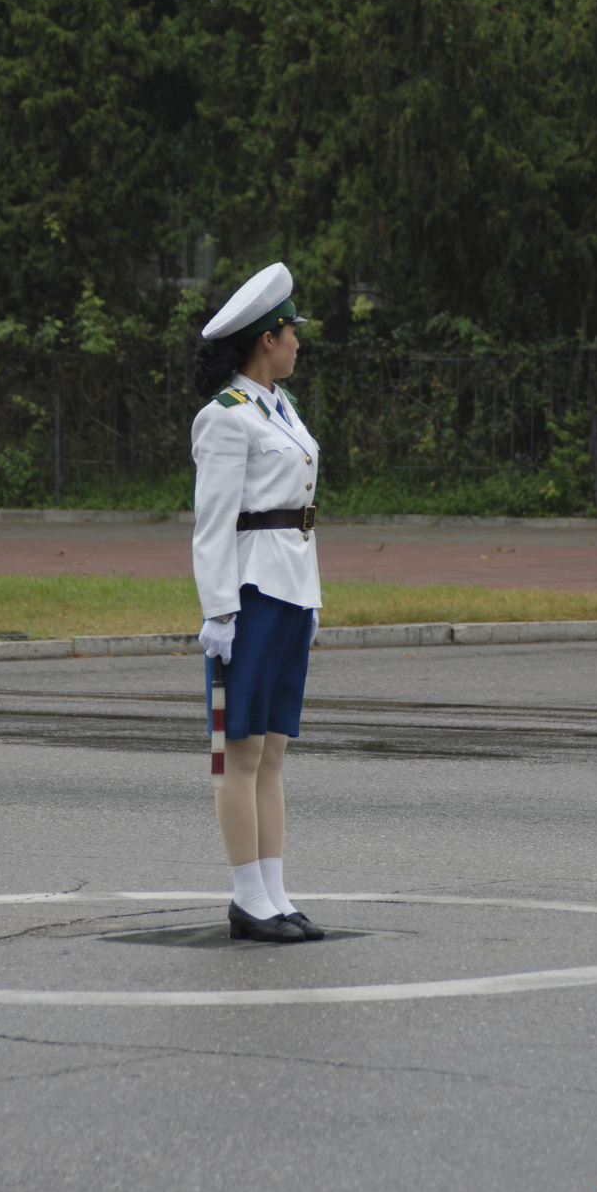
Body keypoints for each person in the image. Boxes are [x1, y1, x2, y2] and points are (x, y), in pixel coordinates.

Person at [191, 261, 324, 944]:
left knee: (271, 752)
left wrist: (313, 596)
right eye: (292, 330)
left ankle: (274, 890)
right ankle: (247, 895)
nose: (300, 340)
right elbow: (214, 524)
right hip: (247, 597)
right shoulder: (224, 418)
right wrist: (218, 611)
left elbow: (296, 512)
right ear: (268, 338)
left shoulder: (281, 408)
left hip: (290, 591)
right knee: (236, 753)